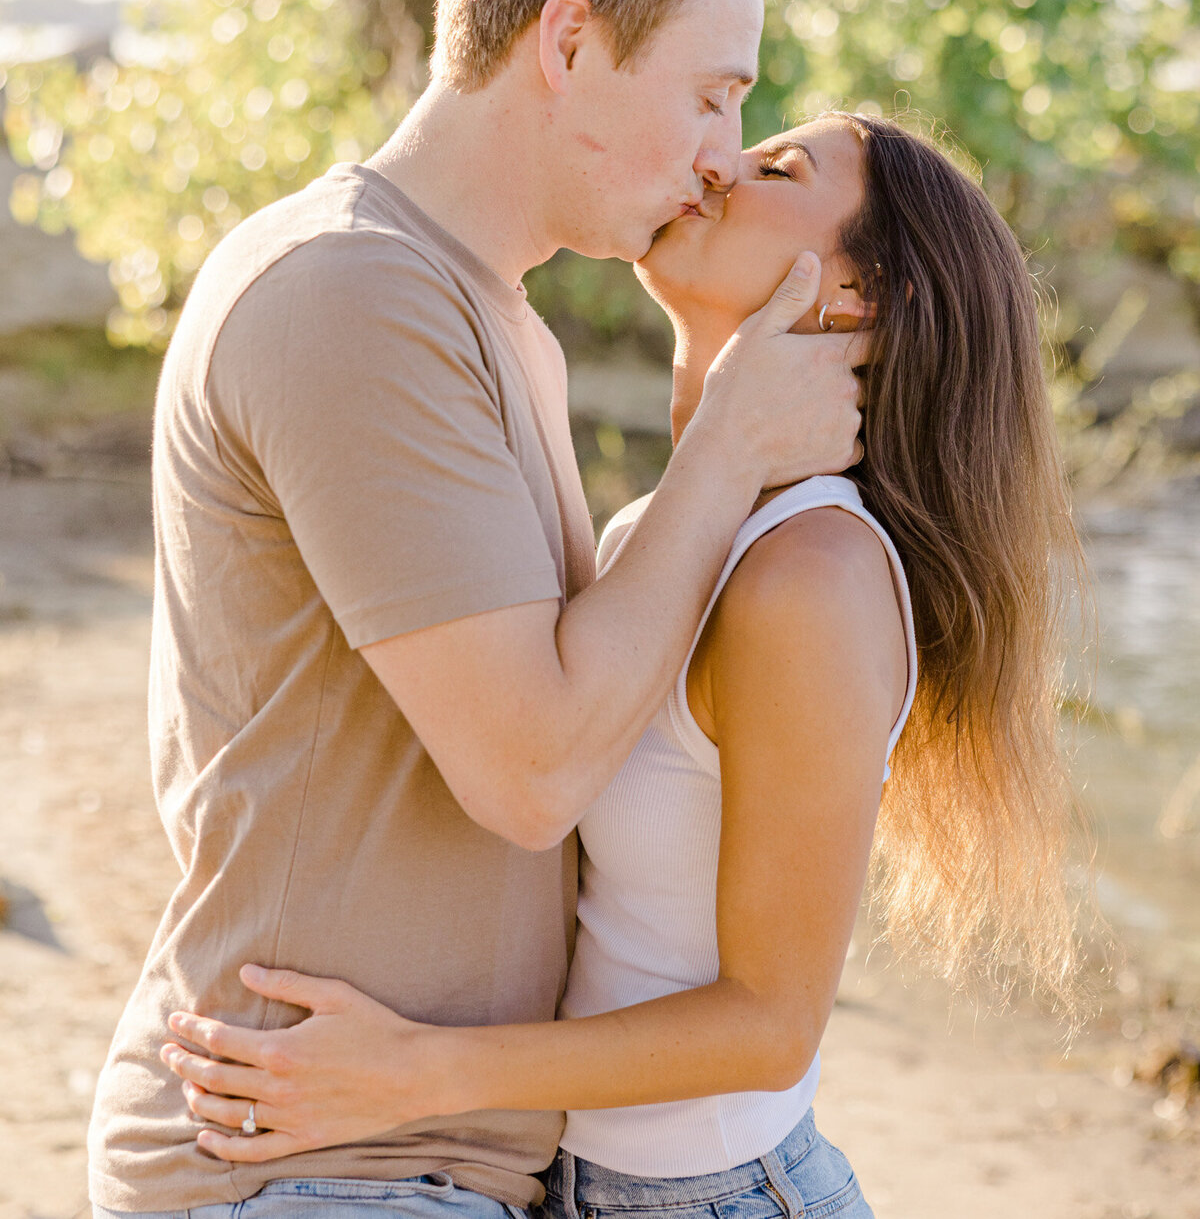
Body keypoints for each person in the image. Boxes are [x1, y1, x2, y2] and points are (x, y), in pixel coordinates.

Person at [88, 0, 867, 1219]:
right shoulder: (353, 295)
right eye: (711, 94)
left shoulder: (491, 316)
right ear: (567, 43)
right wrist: (730, 447)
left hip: (412, 1164)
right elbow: (530, 776)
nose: (720, 155)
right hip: (305, 1166)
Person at [161, 112, 1085, 1218]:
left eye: (779, 168)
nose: (717, 163)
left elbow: (773, 1021)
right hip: (581, 1185)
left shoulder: (815, 575)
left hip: (722, 1193)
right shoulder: (663, 532)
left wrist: (422, 1072)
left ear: (861, 296)